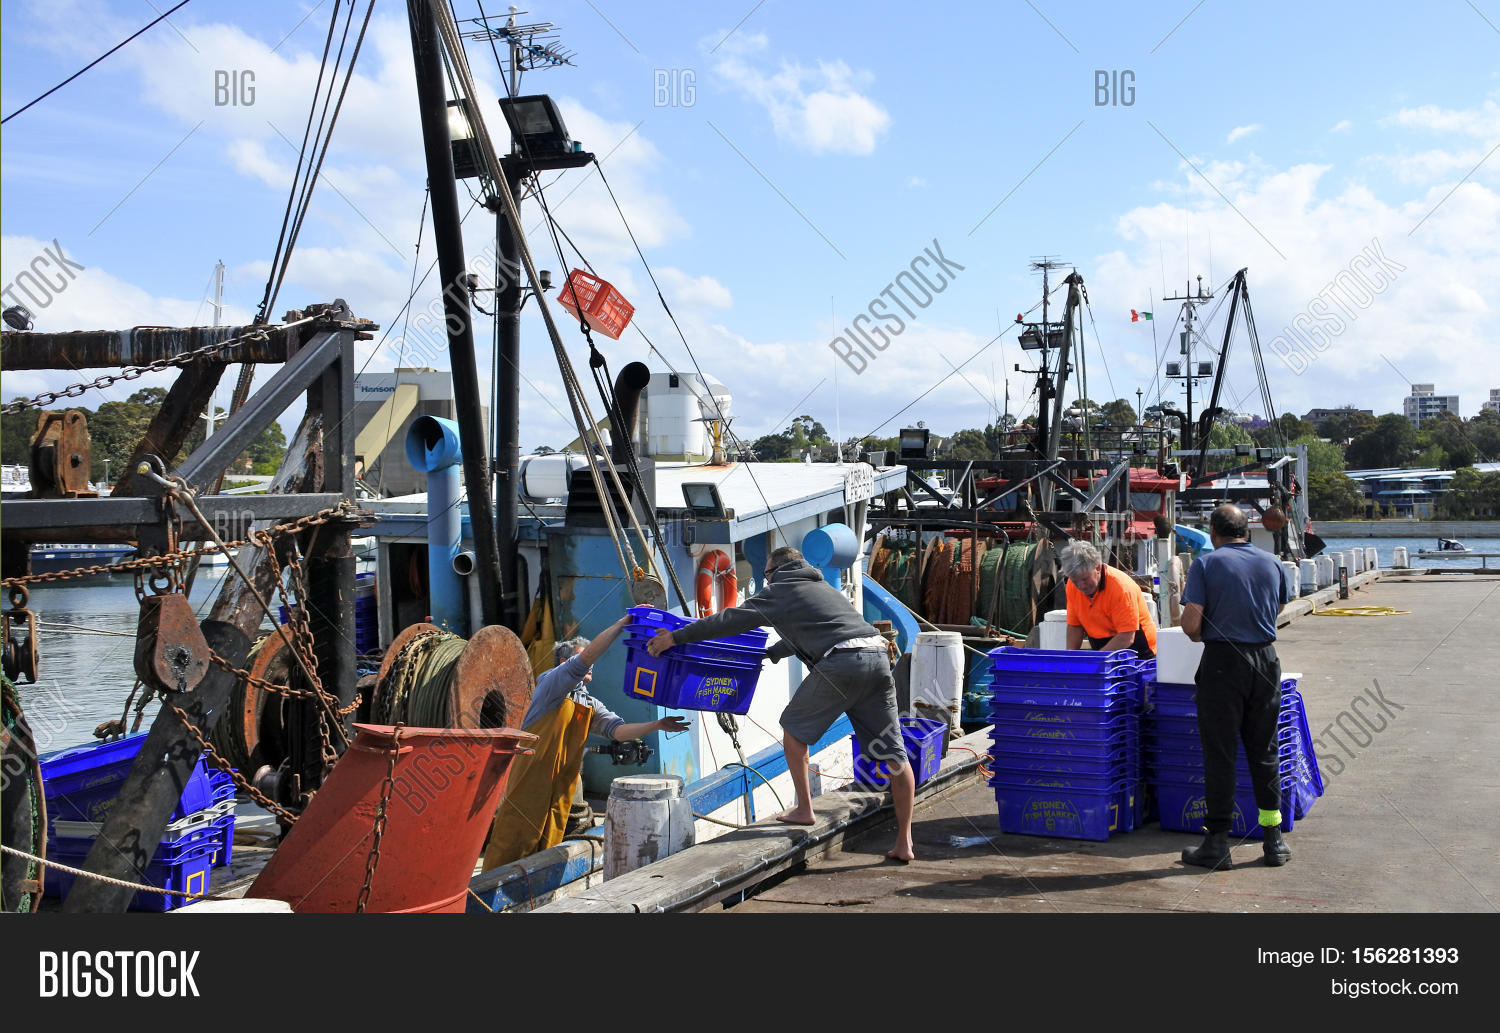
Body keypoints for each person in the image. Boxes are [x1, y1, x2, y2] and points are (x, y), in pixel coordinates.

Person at [646, 546, 916, 862]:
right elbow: (813, 628)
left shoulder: (781, 588)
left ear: (775, 572)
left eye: (766, 575)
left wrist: (675, 638)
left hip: (842, 663)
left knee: (793, 730)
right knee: (894, 754)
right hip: (878, 657)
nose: (767, 580)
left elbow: (730, 620)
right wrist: (772, 652)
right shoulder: (821, 587)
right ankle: (905, 842)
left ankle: (804, 808)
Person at [482, 615, 690, 869]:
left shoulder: (588, 703)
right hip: (529, 780)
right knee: (511, 841)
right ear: (564, 662)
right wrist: (620, 624)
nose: (590, 664)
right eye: (583, 658)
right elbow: (585, 659)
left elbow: (619, 730)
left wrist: (656, 725)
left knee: (548, 843)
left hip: (558, 786)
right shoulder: (551, 684)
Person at [1179, 503, 1292, 870]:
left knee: (1221, 754)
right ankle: (1273, 842)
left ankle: (1217, 842)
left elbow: (1190, 624)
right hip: (1265, 661)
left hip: (1223, 664)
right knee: (1264, 750)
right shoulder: (1273, 563)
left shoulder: (1207, 564)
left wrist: (1206, 631)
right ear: (1247, 530)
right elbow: (1274, 611)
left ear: (1214, 532)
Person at [1059, 541, 1158, 659]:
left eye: (1085, 579)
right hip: (1101, 648)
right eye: (1075, 581)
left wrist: (1098, 660)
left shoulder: (1121, 587)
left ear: (1097, 567)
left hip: (1138, 650)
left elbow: (1127, 636)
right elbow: (1075, 626)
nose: (1081, 586)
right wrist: (1070, 658)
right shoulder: (1071, 586)